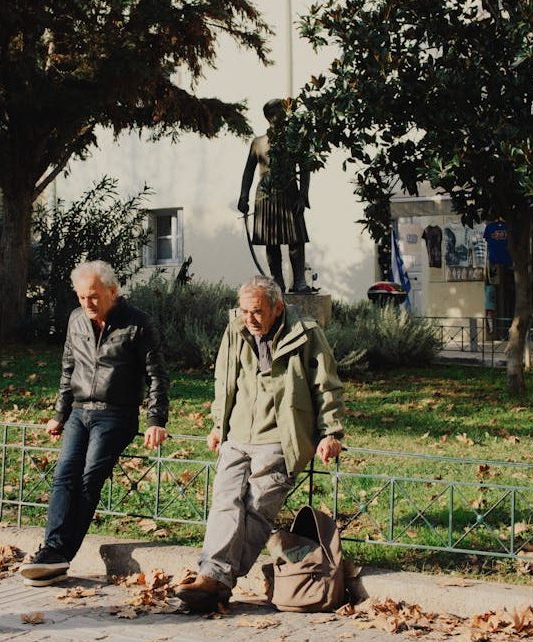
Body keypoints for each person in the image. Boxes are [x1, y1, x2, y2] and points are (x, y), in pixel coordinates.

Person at [174, 275, 344, 610]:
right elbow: (225, 380)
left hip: (279, 437)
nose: (249, 319)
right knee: (225, 502)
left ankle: (217, 581)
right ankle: (213, 577)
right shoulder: (236, 330)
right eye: (244, 311)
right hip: (238, 434)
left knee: (256, 509)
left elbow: (326, 385)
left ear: (277, 308)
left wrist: (331, 432)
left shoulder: (306, 333)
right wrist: (218, 425)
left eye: (257, 312)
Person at [19, 260, 170, 586]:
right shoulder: (76, 319)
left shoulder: (138, 323)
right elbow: (68, 369)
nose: (87, 303)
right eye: (81, 297)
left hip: (116, 413)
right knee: (64, 474)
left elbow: (156, 375)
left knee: (89, 478)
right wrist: (59, 414)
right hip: (79, 411)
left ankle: (57, 555)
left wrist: (156, 419)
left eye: (93, 296)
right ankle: (52, 551)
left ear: (112, 291)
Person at [238, 99, 317, 294]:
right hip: (266, 197)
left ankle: (299, 281)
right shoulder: (258, 143)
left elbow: (305, 168)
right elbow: (248, 171)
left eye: (283, 111)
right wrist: (243, 196)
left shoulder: (295, 139)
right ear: (269, 117)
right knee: (271, 242)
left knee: (296, 240)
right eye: (277, 112)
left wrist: (303, 196)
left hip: (290, 193)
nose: (282, 115)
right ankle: (277, 281)